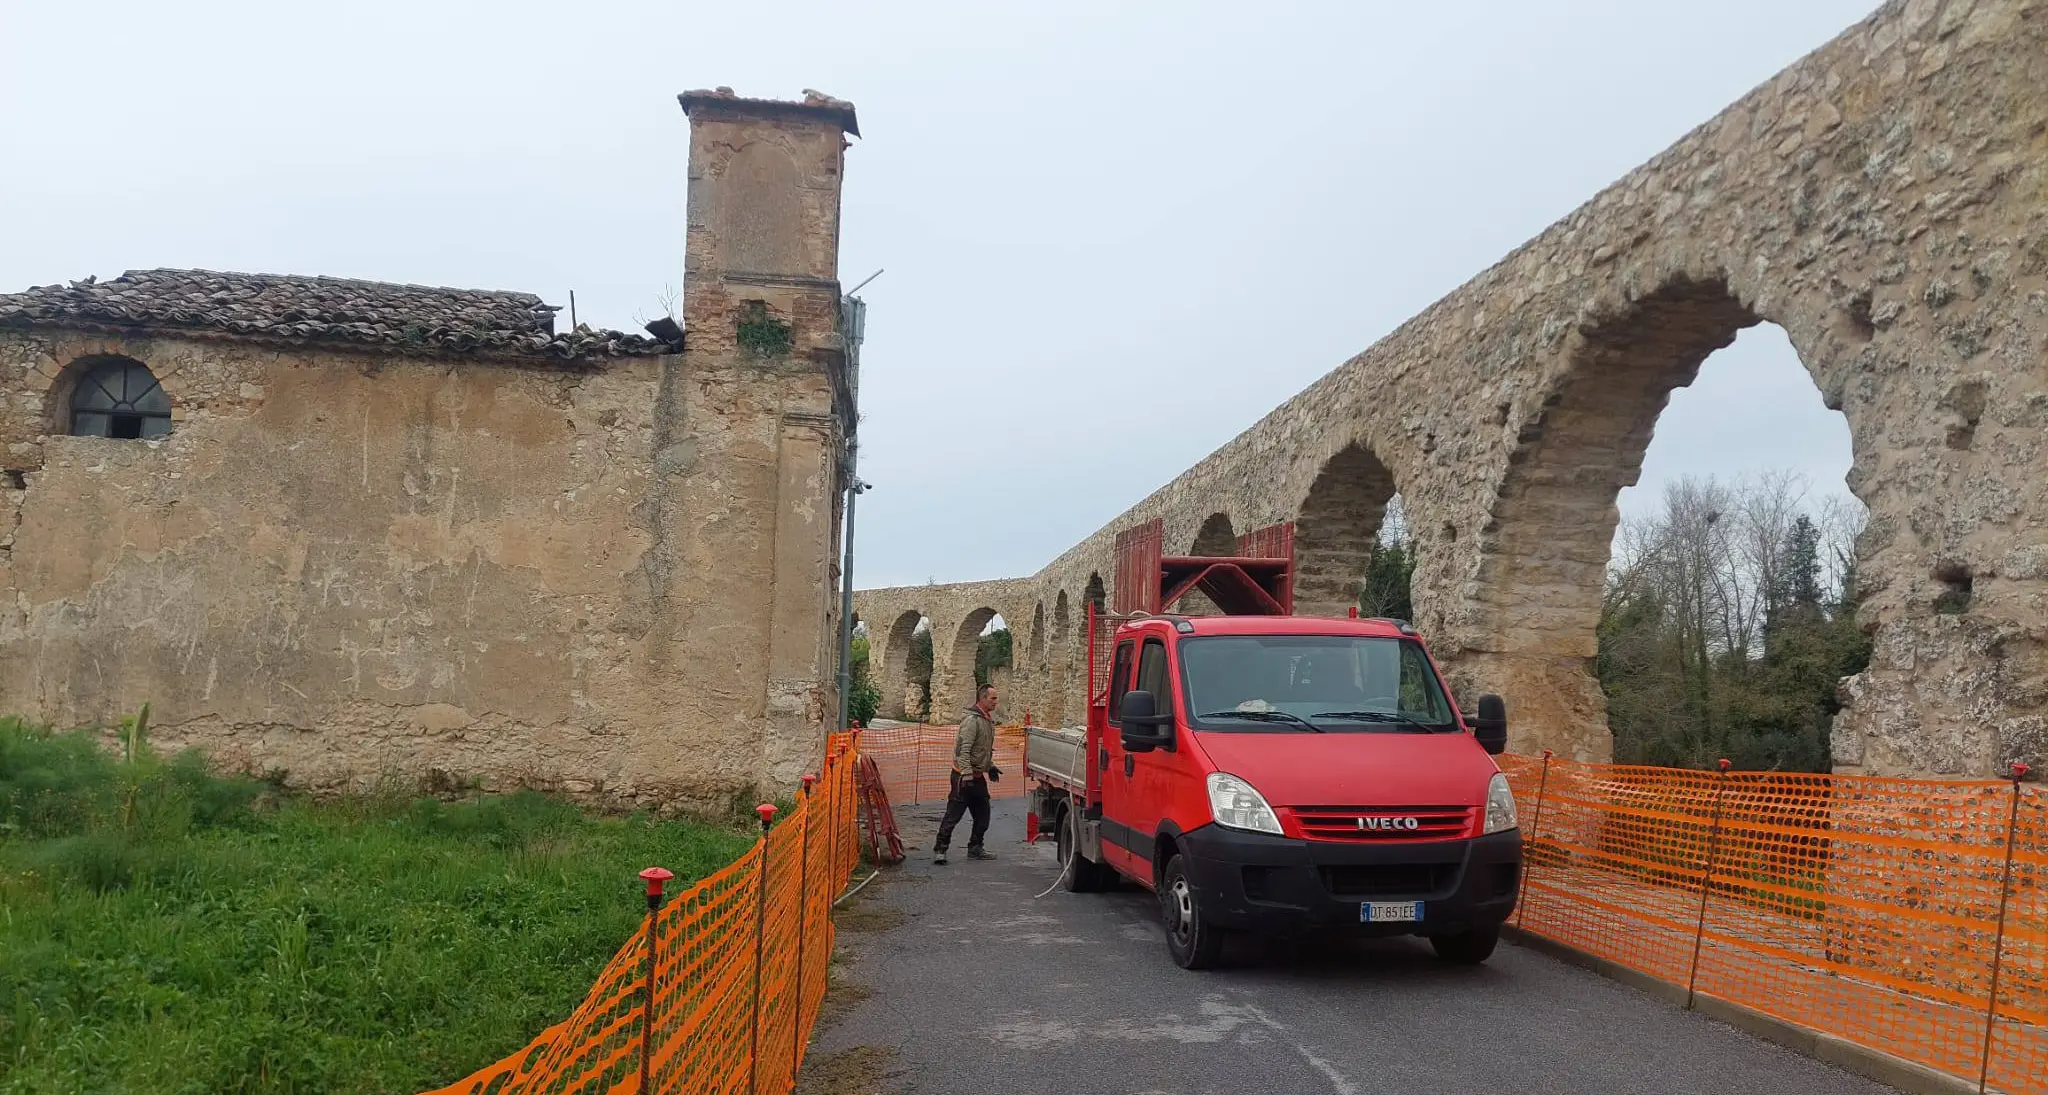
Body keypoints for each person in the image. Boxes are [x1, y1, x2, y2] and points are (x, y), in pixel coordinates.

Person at [934, 683, 1001, 865]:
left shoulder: (986, 720)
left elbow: (981, 750)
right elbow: (963, 750)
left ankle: (975, 848)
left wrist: (990, 766)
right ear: (982, 699)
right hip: (963, 778)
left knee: (983, 815)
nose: (996, 702)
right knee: (953, 815)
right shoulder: (972, 721)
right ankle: (940, 849)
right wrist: (966, 774)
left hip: (977, 776)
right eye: (993, 698)